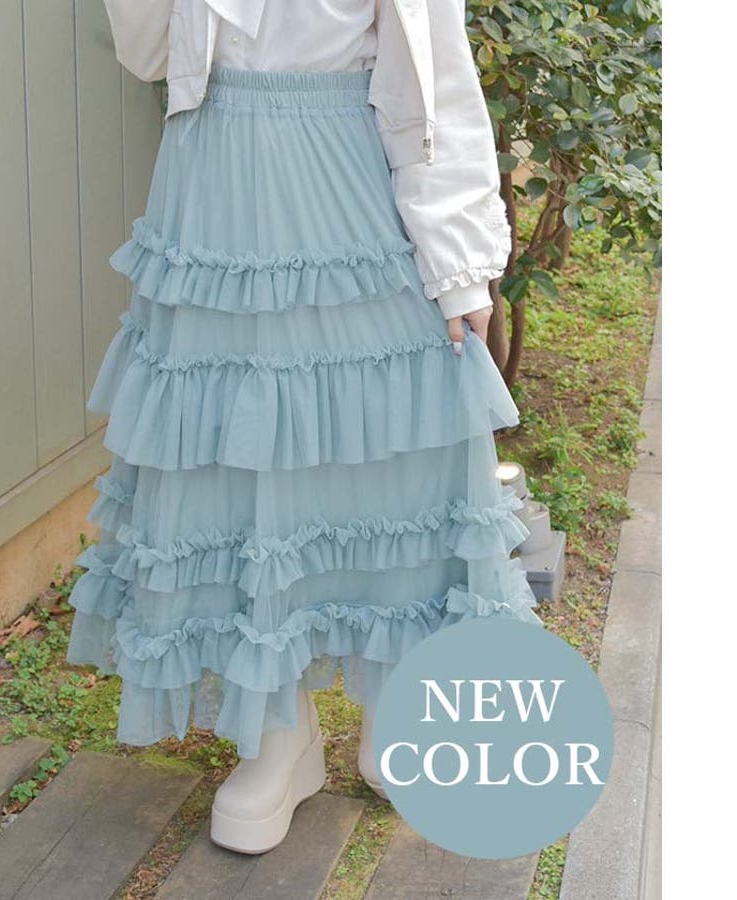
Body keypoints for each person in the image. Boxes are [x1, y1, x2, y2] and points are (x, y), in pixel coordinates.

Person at [66, 0, 541, 854]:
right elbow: (148, 53)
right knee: (236, 470)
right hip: (212, 188)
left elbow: (433, 77)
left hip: (347, 185)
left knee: (392, 457)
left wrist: (460, 258)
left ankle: (396, 709)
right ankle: (281, 737)